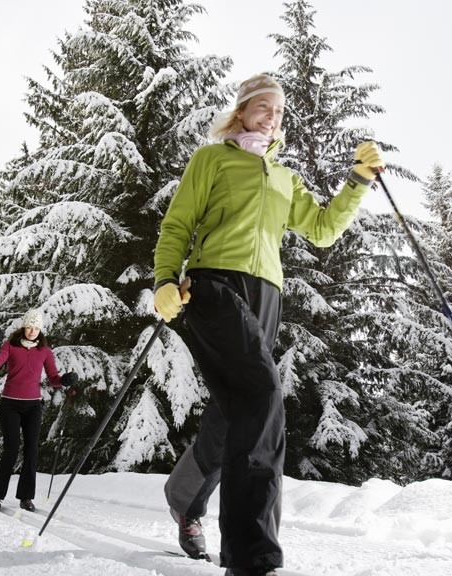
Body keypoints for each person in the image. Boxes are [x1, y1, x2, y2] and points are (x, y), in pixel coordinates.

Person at [153, 73, 384, 576]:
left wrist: (357, 182)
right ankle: (253, 555)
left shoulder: (284, 178)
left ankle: (185, 498)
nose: (272, 117)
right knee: (262, 396)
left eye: (279, 111)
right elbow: (178, 223)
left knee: (236, 409)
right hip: (214, 287)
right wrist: (166, 279)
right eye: (264, 108)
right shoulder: (212, 159)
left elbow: (322, 229)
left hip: (266, 294)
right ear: (241, 112)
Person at [0, 308, 77, 512]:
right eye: (29, 327)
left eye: (36, 328)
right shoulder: (11, 346)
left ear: (40, 329)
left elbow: (53, 378)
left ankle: (26, 498)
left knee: (32, 451)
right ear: (24, 327)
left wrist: (64, 380)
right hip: (10, 403)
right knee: (11, 450)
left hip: (33, 405)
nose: (32, 331)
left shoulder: (44, 351)